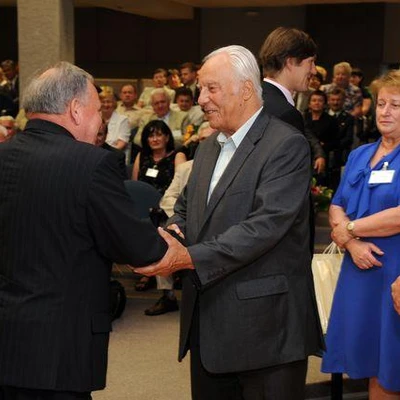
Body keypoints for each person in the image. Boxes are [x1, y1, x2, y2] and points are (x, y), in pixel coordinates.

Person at [133, 45, 323, 400]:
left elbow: (263, 227)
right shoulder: (208, 148)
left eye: (211, 88)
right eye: (201, 89)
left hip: (266, 335)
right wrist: (172, 232)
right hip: (208, 327)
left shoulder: (286, 146)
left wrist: (187, 258)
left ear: (247, 90)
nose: (200, 99)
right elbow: (188, 208)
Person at [0, 61, 168, 400]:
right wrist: (169, 237)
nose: (100, 123)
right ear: (76, 110)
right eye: (97, 111)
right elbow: (139, 249)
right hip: (58, 352)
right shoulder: (92, 164)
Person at [321, 69, 400, 398]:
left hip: (395, 272)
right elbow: (337, 204)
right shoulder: (358, 155)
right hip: (361, 270)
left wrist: (349, 229)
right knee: (371, 363)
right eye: (381, 103)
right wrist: (351, 243)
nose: (385, 111)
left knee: (393, 364)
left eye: (395, 105)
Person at [259, 27, 326, 176]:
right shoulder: (286, 114)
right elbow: (290, 180)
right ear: (290, 62)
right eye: (311, 62)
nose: (314, 71)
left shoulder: (255, 100)